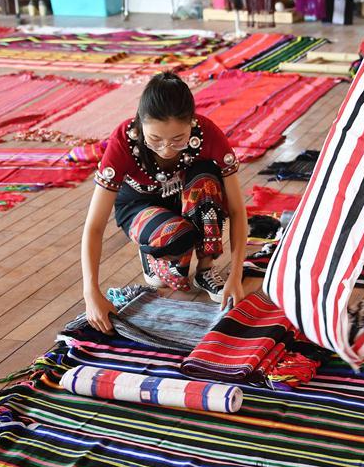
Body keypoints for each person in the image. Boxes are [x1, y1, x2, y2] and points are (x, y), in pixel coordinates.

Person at [81, 72, 247, 334]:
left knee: (207, 176)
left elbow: (237, 210)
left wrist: (236, 276)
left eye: (178, 139)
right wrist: (91, 294)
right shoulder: (124, 140)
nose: (167, 149)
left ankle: (206, 269)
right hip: (139, 205)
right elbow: (94, 226)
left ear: (192, 123)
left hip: (187, 200)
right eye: (155, 139)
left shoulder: (209, 133)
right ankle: (155, 250)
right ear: (140, 123)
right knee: (174, 250)